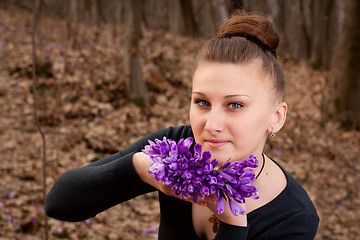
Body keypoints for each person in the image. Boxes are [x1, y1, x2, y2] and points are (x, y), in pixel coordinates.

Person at [45, 12, 319, 240]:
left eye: (235, 105)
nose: (211, 125)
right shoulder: (178, 147)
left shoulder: (294, 218)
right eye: (202, 102)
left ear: (276, 117)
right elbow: (60, 203)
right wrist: (141, 169)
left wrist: (233, 223)